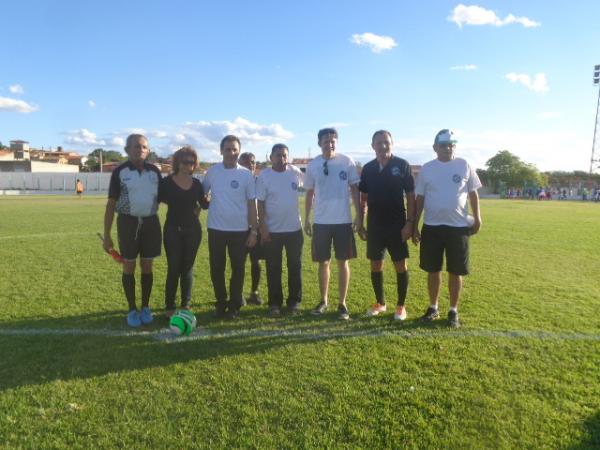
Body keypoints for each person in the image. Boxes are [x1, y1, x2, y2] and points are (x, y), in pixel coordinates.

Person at [412, 129, 482, 328]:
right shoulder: (427, 168)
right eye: (444, 145)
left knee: (455, 271)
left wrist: (478, 218)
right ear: (435, 148)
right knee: (433, 270)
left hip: (458, 228)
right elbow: (420, 198)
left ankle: (453, 311)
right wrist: (415, 224)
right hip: (432, 227)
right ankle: (433, 307)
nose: (448, 148)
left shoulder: (464, 164)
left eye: (451, 144)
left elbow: (473, 194)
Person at [103, 134, 162, 327]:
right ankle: (132, 309)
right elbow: (111, 204)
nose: (141, 150)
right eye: (136, 146)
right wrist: (107, 235)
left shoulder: (155, 171)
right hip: (127, 223)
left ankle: (145, 307)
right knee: (129, 266)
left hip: (151, 223)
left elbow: (166, 196)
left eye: (144, 147)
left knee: (147, 266)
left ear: (148, 150)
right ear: (127, 149)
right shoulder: (119, 171)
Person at [357, 130, 415, 321]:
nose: (383, 146)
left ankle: (401, 306)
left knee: (400, 265)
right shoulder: (368, 168)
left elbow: (411, 196)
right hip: (374, 225)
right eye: (379, 143)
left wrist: (410, 224)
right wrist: (360, 221)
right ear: (372, 145)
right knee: (375, 265)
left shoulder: (402, 165)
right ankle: (380, 303)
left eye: (386, 142)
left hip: (397, 225)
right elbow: (363, 198)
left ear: (392, 143)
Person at [304, 128, 361, 320]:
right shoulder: (313, 165)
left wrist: (359, 215)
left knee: (343, 262)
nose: (330, 143)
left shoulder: (347, 162)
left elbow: (355, 190)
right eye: (326, 140)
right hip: (321, 222)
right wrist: (307, 218)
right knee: (323, 262)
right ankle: (323, 300)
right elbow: (309, 193)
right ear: (319, 143)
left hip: (343, 221)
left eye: (333, 139)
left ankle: (342, 303)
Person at [203, 135, 258, 320]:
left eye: (235, 149)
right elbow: (202, 196)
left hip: (240, 231)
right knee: (216, 268)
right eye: (227, 149)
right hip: (216, 229)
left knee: (238, 269)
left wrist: (254, 230)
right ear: (221, 151)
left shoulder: (246, 174)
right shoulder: (212, 172)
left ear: (239, 151)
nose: (231, 153)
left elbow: (252, 204)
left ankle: (234, 305)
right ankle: (220, 302)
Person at [158, 146, 207, 318]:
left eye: (193, 163)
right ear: (178, 163)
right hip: (172, 230)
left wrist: (203, 203)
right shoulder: (166, 183)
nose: (190, 166)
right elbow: (157, 200)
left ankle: (185, 304)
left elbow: (204, 203)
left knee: (187, 268)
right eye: (186, 162)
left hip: (193, 231)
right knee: (173, 268)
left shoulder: (197, 184)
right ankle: (169, 306)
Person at [256, 143, 304, 316]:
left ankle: (294, 303)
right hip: (272, 231)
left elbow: (310, 187)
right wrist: (263, 228)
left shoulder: (295, 172)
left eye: (284, 155)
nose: (282, 158)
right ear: (271, 157)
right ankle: (274, 303)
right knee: (273, 268)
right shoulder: (264, 176)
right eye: (278, 155)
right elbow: (260, 203)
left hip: (294, 230)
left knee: (295, 267)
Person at [238, 152, 264, 306]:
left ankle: (254, 292)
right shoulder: (237, 181)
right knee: (239, 262)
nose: (250, 165)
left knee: (256, 261)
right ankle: (238, 293)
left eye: (253, 162)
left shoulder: (260, 182)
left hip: (257, 227)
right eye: (246, 162)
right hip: (239, 228)